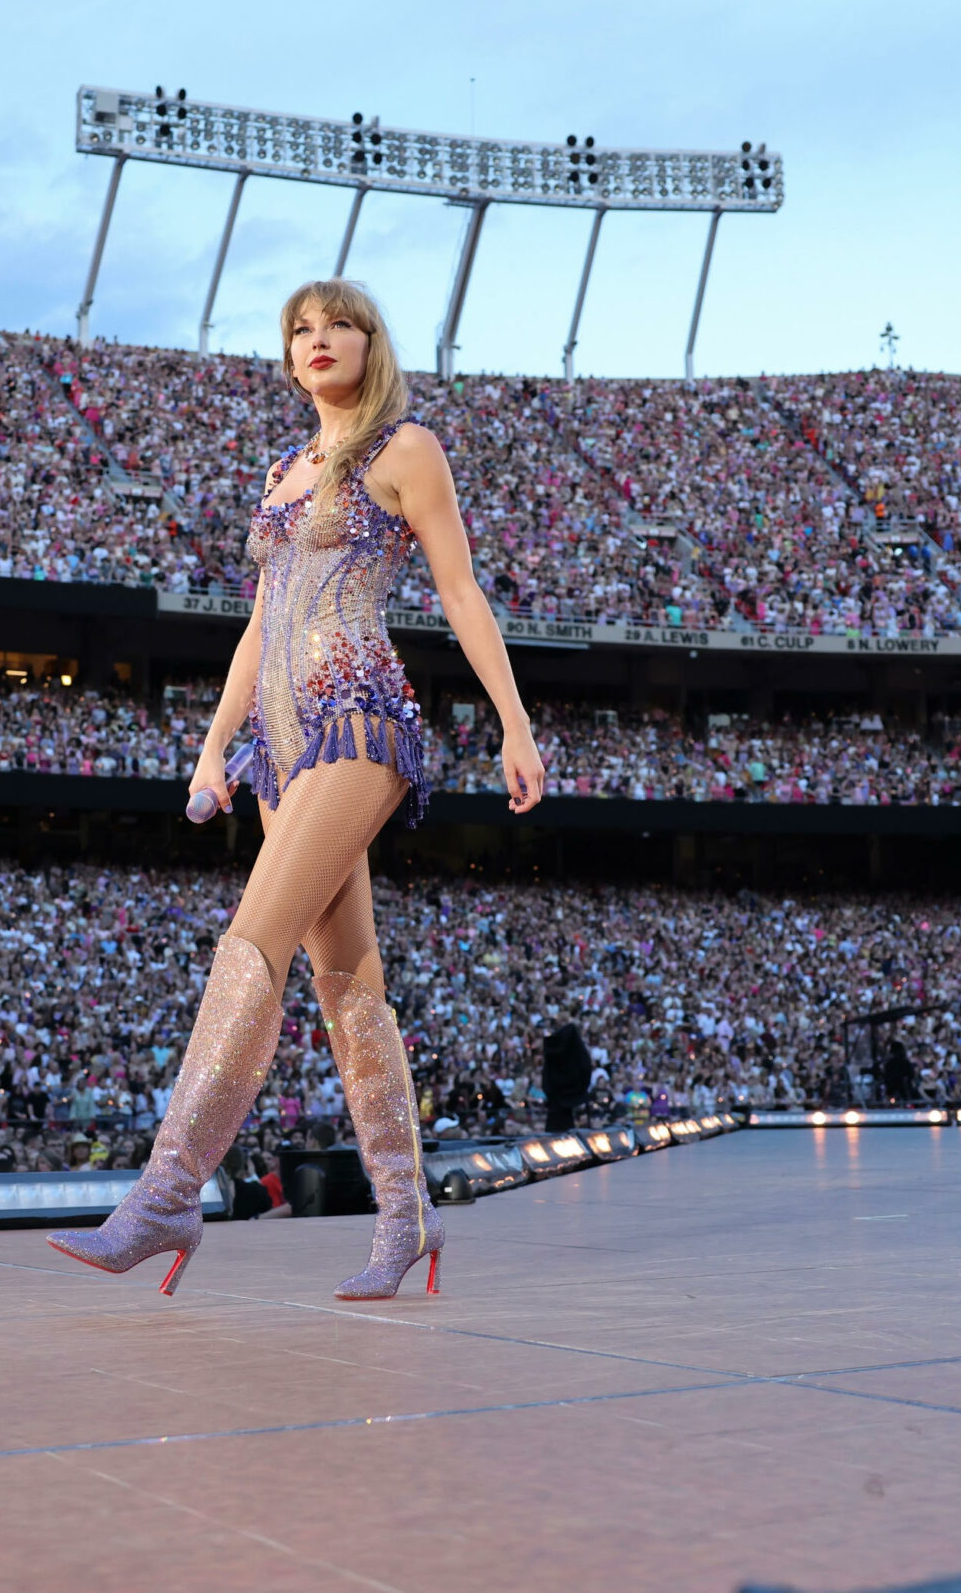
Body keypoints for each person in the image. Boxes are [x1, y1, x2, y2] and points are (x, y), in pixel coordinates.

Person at [50, 279, 544, 1300]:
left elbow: (459, 589)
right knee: (346, 984)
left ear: (373, 341)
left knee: (251, 939)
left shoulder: (404, 448)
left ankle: (168, 1190)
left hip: (356, 713)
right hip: (278, 739)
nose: (317, 341)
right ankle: (407, 1215)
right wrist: (212, 741)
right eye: (299, 331)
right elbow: (257, 625)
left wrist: (513, 720)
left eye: (338, 325)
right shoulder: (283, 470)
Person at [541, 1023, 594, 1134]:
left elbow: (546, 1083)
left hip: (558, 1107)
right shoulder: (579, 1058)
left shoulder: (552, 1057)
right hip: (572, 1105)